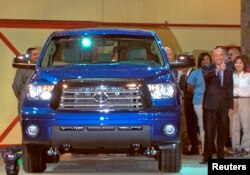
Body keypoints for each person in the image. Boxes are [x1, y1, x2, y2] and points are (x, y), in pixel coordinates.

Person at [201, 47, 234, 163]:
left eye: (220, 55)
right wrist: (218, 70)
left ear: (223, 56)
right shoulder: (207, 68)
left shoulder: (229, 70)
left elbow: (230, 88)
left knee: (222, 133)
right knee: (209, 132)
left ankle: (220, 157)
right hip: (210, 106)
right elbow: (205, 77)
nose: (218, 57)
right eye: (216, 55)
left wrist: (231, 106)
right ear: (213, 57)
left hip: (223, 106)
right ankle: (207, 158)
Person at [187, 52, 212, 155]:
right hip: (199, 101)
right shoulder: (195, 73)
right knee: (202, 126)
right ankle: (205, 149)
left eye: (208, 59)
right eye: (203, 60)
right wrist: (199, 93)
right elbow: (190, 88)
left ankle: (211, 148)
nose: (206, 62)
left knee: (211, 126)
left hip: (212, 102)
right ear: (200, 62)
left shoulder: (214, 71)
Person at [230, 55, 250, 157]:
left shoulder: (248, 76)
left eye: (240, 62)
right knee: (234, 127)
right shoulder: (231, 75)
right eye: (236, 62)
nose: (238, 64)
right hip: (233, 101)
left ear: (244, 64)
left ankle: (246, 148)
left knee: (246, 126)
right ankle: (236, 148)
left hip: (245, 101)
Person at [12, 47, 40, 114]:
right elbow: (16, 85)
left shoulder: (41, 68)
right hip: (25, 103)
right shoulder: (22, 68)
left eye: (38, 54)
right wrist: (22, 97)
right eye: (35, 54)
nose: (37, 56)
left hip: (38, 104)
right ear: (29, 56)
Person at [179, 65, 199, 155]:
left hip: (196, 104)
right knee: (190, 127)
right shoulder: (182, 77)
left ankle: (208, 147)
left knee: (198, 127)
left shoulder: (195, 73)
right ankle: (194, 148)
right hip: (187, 105)